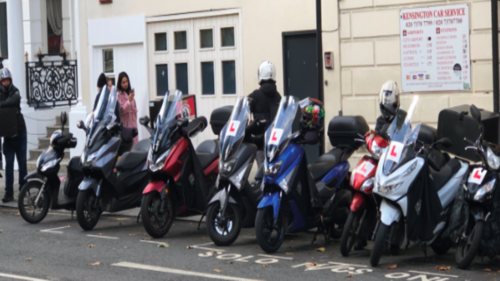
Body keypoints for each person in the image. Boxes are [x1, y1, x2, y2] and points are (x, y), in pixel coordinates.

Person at [354, 80, 402, 250]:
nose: (386, 112)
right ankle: (360, 236)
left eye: (390, 107)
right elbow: (379, 138)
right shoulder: (380, 120)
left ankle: (394, 239)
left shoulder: (402, 119)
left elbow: (405, 138)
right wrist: (372, 136)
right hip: (380, 163)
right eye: (384, 107)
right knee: (370, 199)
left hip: (394, 166)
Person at [247, 61, 282, 167]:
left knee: (261, 173)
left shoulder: (255, 96)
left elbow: (243, 109)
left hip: (260, 142)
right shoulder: (279, 97)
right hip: (276, 142)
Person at [0, 69, 27, 203]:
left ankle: (24, 190)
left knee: (22, 163)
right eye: (3, 81)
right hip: (7, 135)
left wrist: (2, 105)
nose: (6, 83)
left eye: (7, 80)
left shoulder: (15, 91)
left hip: (20, 132)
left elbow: (14, 101)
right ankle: (9, 192)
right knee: (9, 164)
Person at [116, 72, 138, 145]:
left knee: (135, 146)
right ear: (120, 84)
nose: (125, 84)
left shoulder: (130, 93)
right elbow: (122, 110)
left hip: (133, 124)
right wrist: (129, 101)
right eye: (123, 82)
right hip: (125, 125)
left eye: (126, 82)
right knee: (128, 147)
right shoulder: (119, 96)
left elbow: (134, 110)